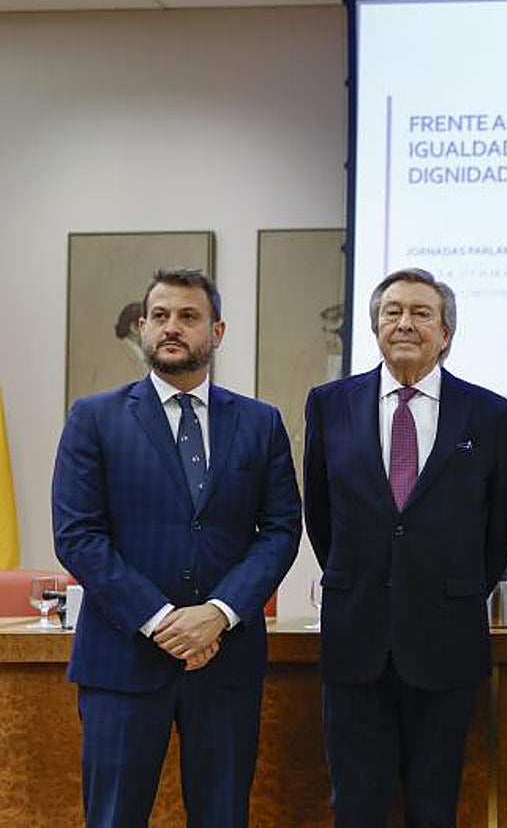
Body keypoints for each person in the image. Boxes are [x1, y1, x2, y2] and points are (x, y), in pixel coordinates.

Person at [51, 267, 301, 828]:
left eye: (188, 317)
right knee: (114, 818)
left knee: (222, 816)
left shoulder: (260, 422)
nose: (172, 327)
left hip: (226, 660)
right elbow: (78, 536)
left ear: (217, 331)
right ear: (142, 327)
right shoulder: (94, 418)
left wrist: (217, 613)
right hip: (122, 659)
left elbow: (282, 528)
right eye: (159, 316)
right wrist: (163, 619)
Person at [303, 268, 507, 827]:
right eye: (392, 311)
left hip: (446, 639)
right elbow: (321, 517)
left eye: (421, 313)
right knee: (356, 806)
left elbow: (500, 525)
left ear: (445, 332)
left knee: (434, 806)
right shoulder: (329, 405)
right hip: (357, 640)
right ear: (375, 327)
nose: (405, 322)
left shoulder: (492, 415)